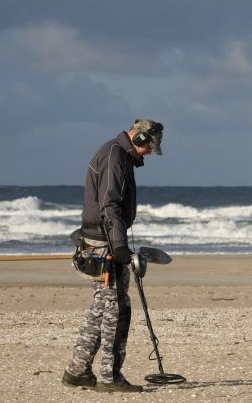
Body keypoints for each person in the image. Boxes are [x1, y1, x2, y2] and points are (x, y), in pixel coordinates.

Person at [62, 119, 164, 393]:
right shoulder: (115, 156)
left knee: (101, 307)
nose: (148, 154)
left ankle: (77, 370)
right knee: (117, 310)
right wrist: (119, 246)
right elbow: (110, 205)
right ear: (139, 138)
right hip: (104, 244)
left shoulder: (115, 153)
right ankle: (109, 376)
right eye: (149, 148)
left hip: (98, 240)